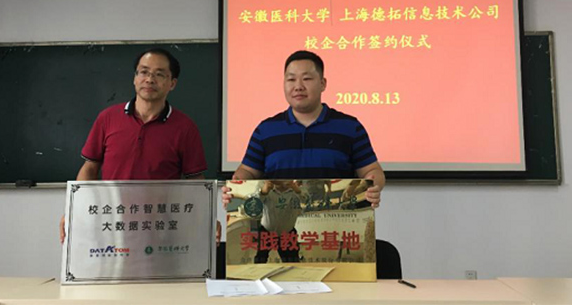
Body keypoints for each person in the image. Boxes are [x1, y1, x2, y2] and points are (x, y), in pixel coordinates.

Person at [60, 48, 207, 243]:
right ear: (135, 78)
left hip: (161, 230)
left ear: (172, 83)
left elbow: (195, 181)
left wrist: (206, 218)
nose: (149, 79)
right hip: (110, 224)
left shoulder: (185, 127)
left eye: (159, 74)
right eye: (144, 72)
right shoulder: (108, 118)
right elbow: (90, 168)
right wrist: (75, 209)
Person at [223, 50, 385, 208]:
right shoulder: (265, 130)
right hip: (280, 222)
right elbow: (248, 171)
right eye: (291, 79)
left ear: (322, 84)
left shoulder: (350, 127)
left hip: (335, 220)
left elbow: (372, 170)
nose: (298, 86)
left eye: (306, 79)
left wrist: (373, 186)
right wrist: (236, 185)